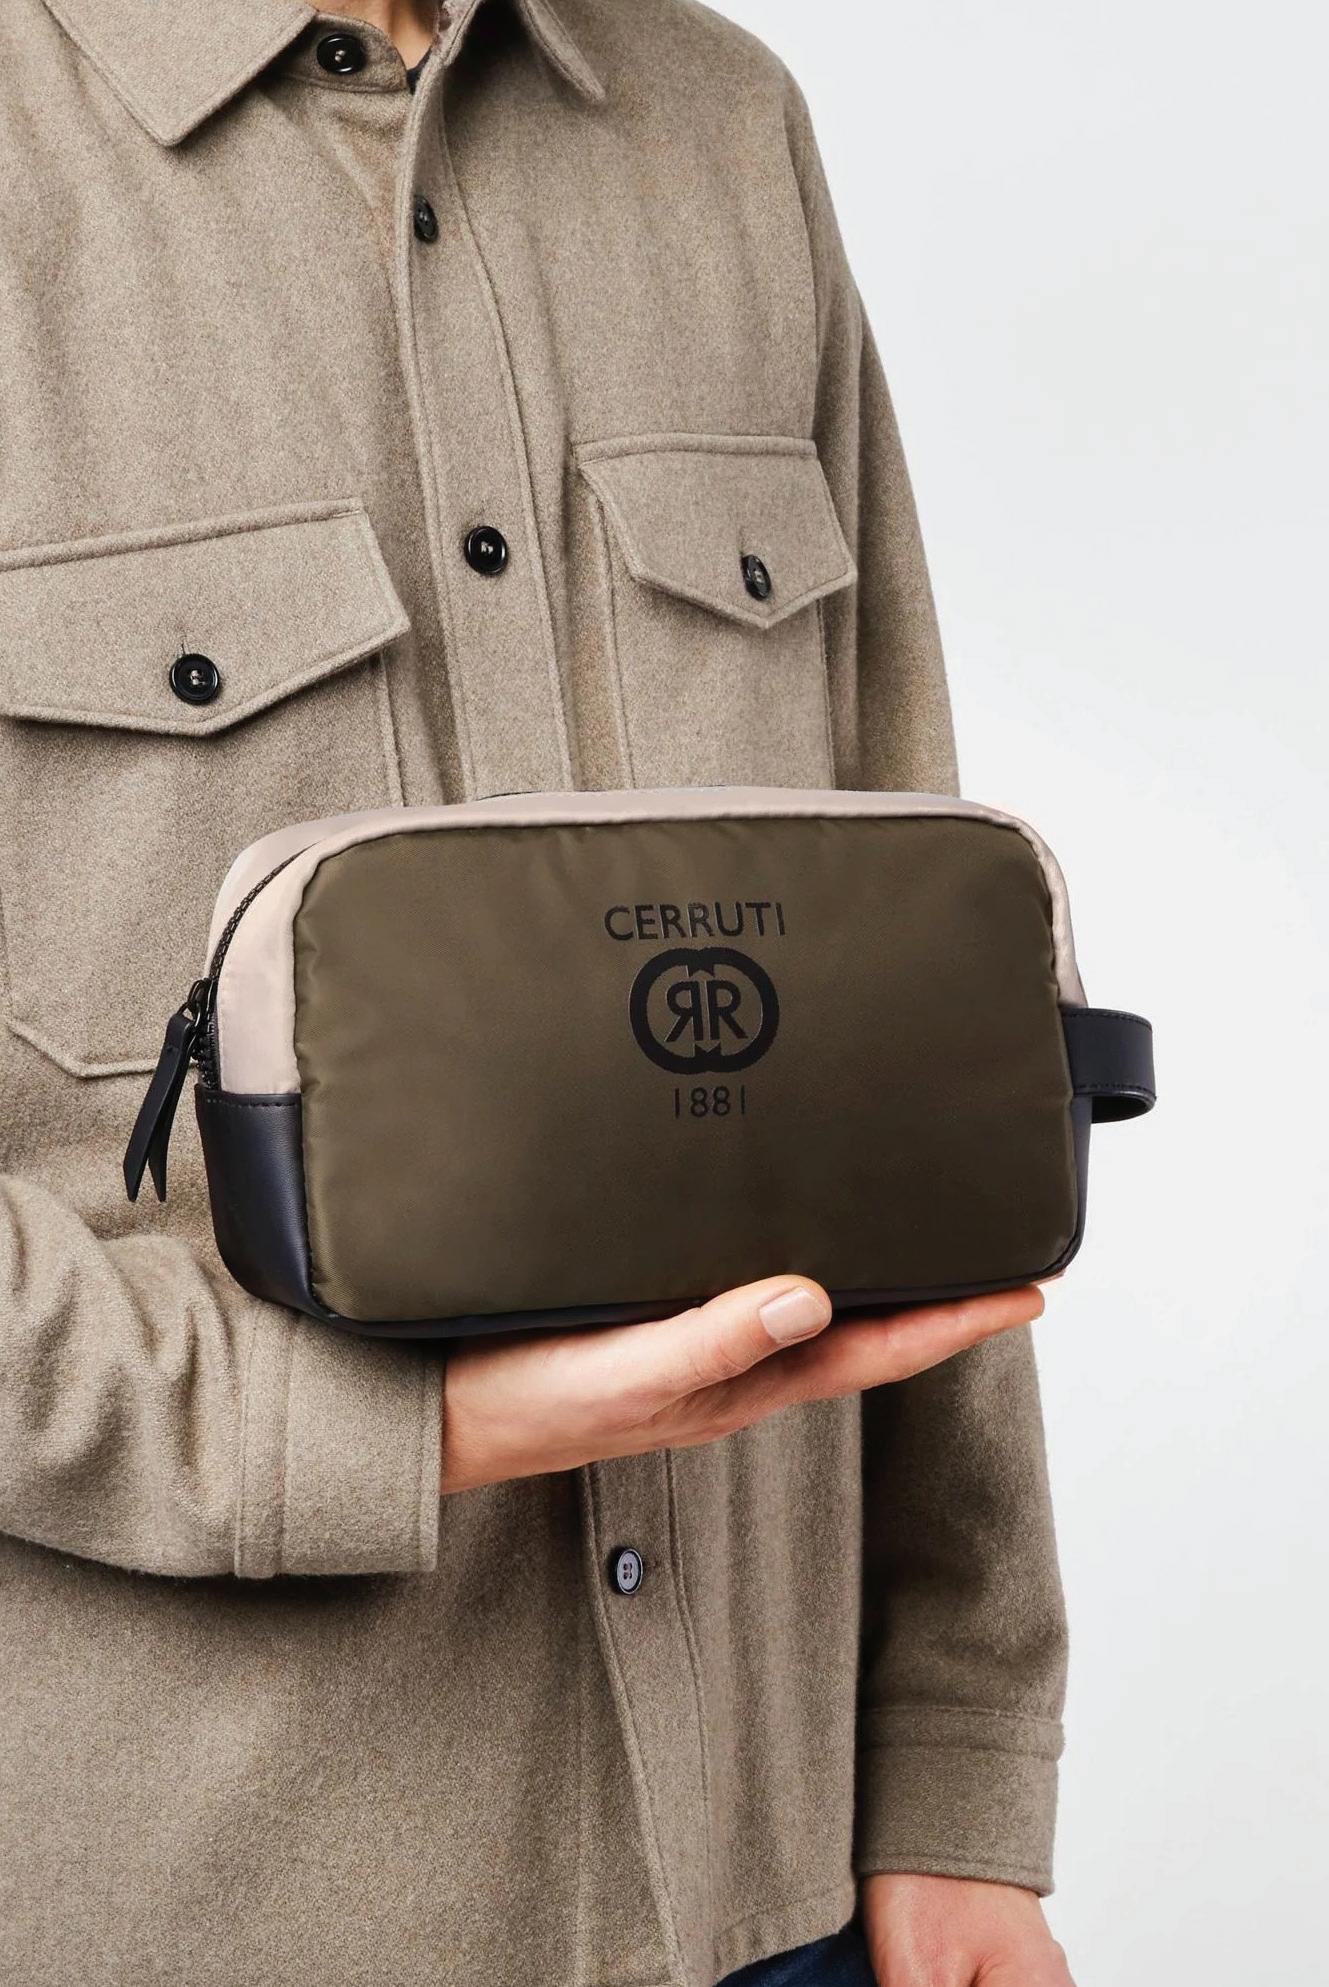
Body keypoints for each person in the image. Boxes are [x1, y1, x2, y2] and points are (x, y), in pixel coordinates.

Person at [0, 3, 1074, 1983]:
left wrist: (952, 1764)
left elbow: (923, 1015)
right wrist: (376, 1434)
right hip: (202, 1908)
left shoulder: (718, 119)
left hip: (777, 1889)